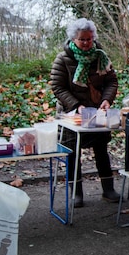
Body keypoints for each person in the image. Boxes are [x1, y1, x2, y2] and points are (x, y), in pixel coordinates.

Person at [50, 18, 119, 208]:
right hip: (71, 115)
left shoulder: (101, 56)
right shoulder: (62, 59)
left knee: (101, 150)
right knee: (73, 153)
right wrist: (76, 106)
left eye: (89, 39)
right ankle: (76, 194)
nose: (87, 43)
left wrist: (106, 100)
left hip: (97, 112)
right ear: (73, 39)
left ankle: (108, 189)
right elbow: (58, 86)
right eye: (82, 39)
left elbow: (111, 81)